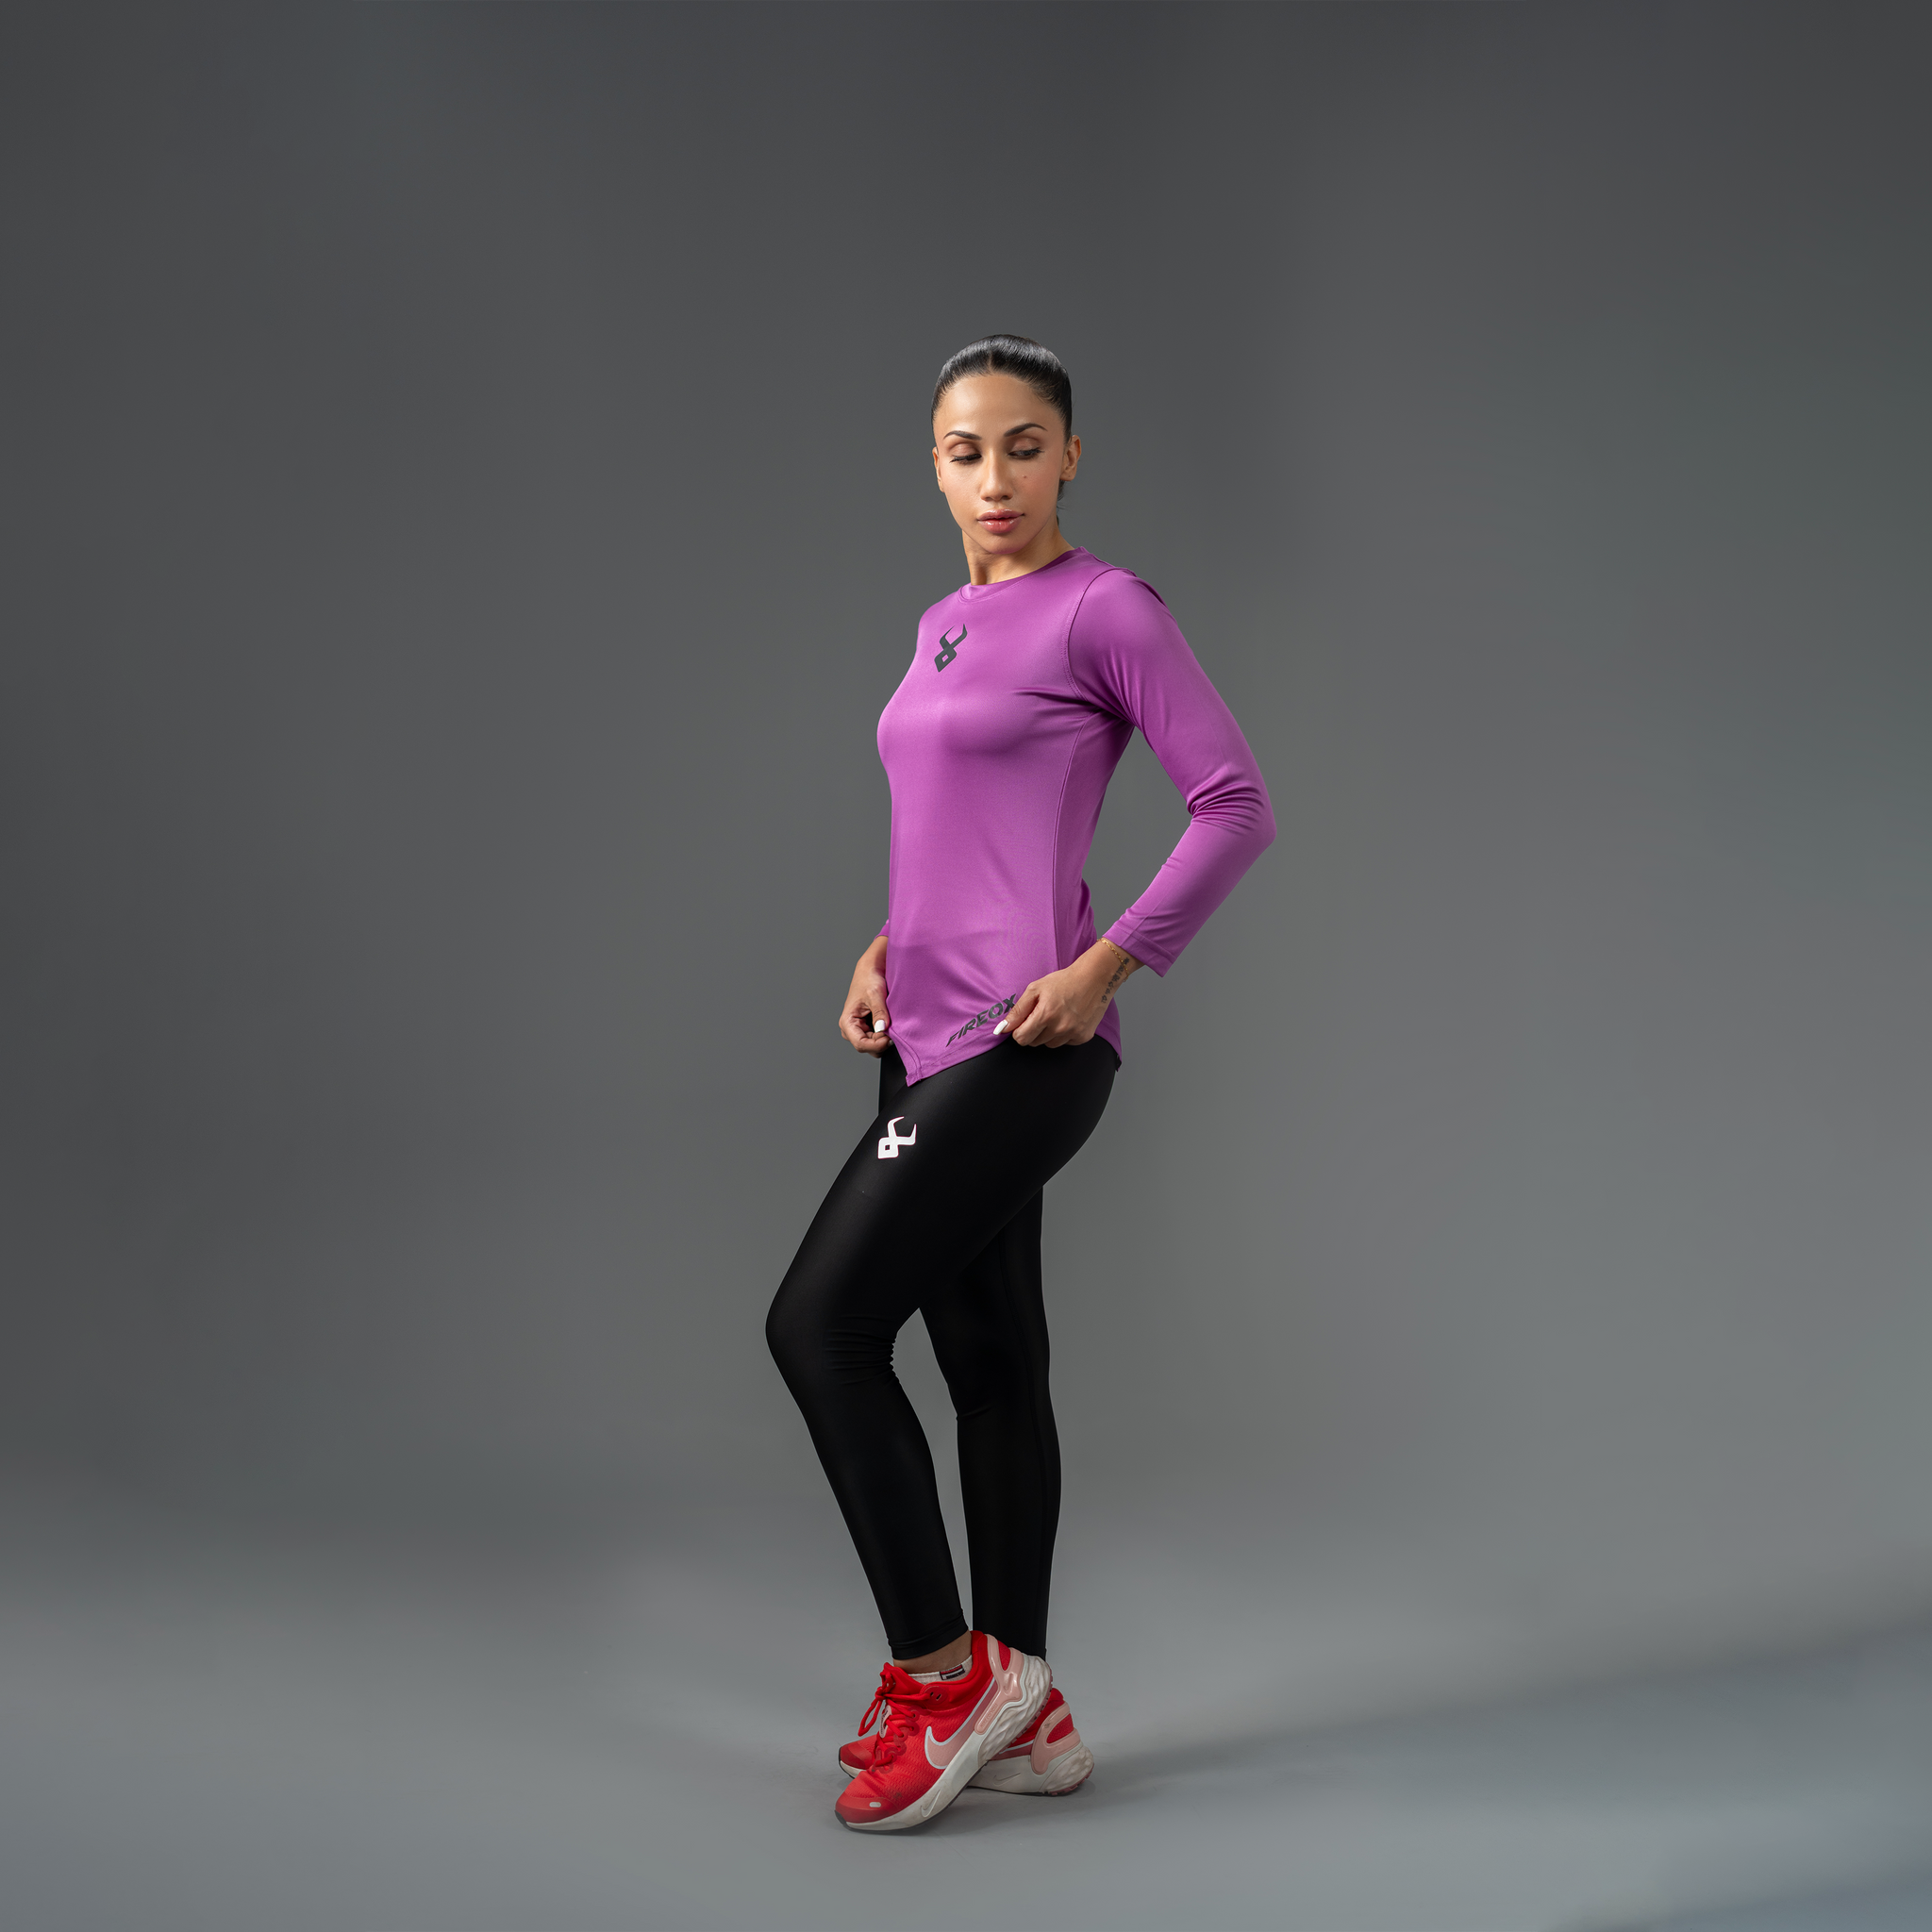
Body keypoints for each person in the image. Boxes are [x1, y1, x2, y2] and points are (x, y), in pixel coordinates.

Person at [766, 335, 1274, 1832]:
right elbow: (960, 827)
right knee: (991, 1368)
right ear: (934, 466)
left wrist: (1108, 967)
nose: (995, 478)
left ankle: (943, 1681)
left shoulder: (1106, 608)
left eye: (1023, 446)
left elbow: (1235, 804)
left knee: (819, 1327)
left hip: (1024, 1043)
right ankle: (1029, 1704)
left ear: (1069, 457)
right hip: (919, 1032)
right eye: (965, 451)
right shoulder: (939, 624)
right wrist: (886, 941)